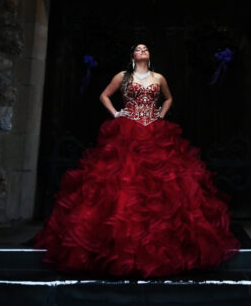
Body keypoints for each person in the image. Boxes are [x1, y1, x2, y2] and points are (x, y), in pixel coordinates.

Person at [34, 43, 240, 277]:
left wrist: (161, 114)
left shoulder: (158, 78)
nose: (143, 50)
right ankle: (120, 246)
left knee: (163, 185)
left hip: (154, 131)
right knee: (124, 182)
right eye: (138, 48)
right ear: (132, 55)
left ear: (149, 55)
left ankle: (160, 246)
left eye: (146, 48)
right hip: (127, 131)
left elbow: (169, 98)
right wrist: (116, 113)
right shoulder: (123, 76)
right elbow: (104, 95)